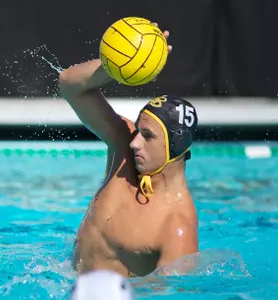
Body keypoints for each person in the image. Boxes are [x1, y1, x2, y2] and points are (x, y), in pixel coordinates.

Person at [59, 26, 199, 277]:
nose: (134, 142)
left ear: (174, 147)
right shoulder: (122, 145)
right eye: (138, 132)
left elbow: (170, 294)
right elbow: (70, 85)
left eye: (147, 137)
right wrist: (120, 65)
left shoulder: (176, 225)